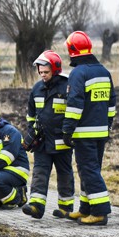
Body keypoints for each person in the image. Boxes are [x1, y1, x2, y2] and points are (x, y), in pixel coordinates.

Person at [62, 31, 117, 226]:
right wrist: (107, 125)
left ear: (71, 50)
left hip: (84, 133)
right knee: (91, 170)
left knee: (88, 171)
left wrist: (67, 130)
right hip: (101, 131)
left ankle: (100, 212)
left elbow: (75, 104)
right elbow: (111, 102)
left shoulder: (78, 73)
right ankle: (86, 208)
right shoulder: (103, 71)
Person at [21, 50, 76, 219]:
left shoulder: (67, 87)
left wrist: (69, 133)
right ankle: (36, 206)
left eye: (46, 72)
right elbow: (31, 115)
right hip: (42, 141)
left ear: (55, 70)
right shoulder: (37, 88)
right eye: (41, 72)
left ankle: (66, 208)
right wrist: (32, 131)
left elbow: (74, 112)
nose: (43, 75)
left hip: (62, 141)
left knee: (64, 173)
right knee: (39, 172)